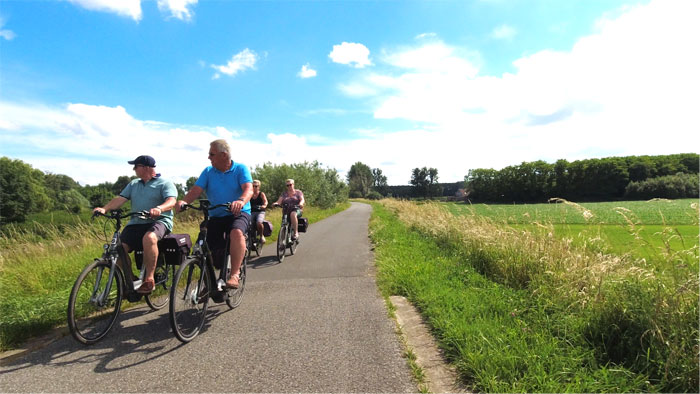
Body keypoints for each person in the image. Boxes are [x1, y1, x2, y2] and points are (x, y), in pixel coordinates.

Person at [93, 155, 177, 294]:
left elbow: (171, 201)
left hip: (158, 221)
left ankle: (149, 280)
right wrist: (105, 208)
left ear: (145, 168)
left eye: (136, 166)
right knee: (118, 249)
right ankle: (131, 280)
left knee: (149, 238)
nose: (134, 169)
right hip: (136, 222)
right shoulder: (134, 184)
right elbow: (120, 199)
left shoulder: (164, 183)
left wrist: (159, 209)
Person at [176, 139, 252, 289]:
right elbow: (196, 190)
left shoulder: (240, 169)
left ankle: (235, 275)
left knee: (236, 232)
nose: (209, 157)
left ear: (223, 155)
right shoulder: (208, 171)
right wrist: (184, 201)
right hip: (216, 215)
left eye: (212, 154)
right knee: (204, 248)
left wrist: (241, 201)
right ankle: (208, 285)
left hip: (238, 213)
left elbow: (248, 188)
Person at [250, 180, 268, 244]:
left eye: (256, 186)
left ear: (259, 187)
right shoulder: (249, 194)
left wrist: (264, 205)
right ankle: (249, 237)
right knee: (247, 223)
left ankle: (261, 236)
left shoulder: (261, 194)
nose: (254, 187)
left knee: (259, 222)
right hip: (251, 211)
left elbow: (265, 201)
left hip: (260, 211)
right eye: (253, 186)